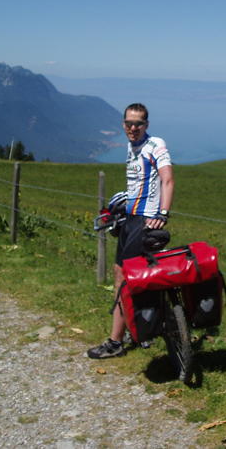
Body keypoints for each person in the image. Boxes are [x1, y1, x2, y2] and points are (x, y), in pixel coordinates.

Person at [87, 103, 174, 359]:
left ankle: (116, 341)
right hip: (130, 219)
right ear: (123, 124)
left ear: (146, 125)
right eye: (128, 123)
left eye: (138, 124)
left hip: (145, 221)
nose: (133, 128)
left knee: (126, 279)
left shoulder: (154, 145)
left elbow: (168, 179)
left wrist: (162, 213)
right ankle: (135, 328)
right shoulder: (131, 146)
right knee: (119, 273)